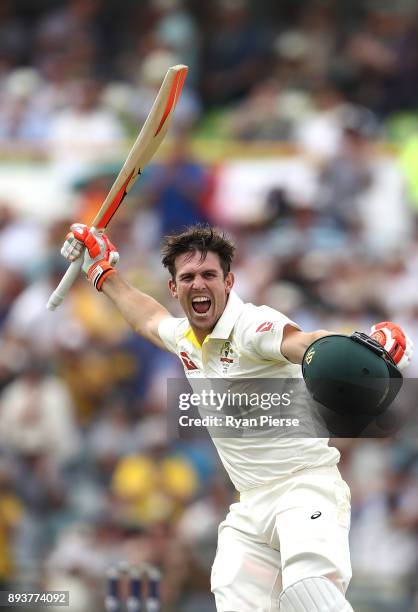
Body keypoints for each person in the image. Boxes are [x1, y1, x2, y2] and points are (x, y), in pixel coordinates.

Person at [61, 223, 413, 612]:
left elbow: (306, 342)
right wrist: (102, 273)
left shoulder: (251, 326)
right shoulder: (185, 339)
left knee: (309, 592)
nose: (199, 284)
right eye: (188, 277)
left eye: (209, 275)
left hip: (306, 490)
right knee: (234, 598)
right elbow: (146, 319)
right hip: (249, 508)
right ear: (174, 289)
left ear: (229, 282)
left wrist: (361, 349)